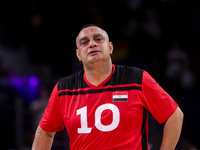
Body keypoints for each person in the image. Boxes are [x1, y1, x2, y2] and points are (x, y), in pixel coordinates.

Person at [32, 24, 183, 150]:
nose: (92, 44)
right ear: (78, 54)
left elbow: (174, 115)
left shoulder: (136, 78)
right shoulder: (64, 88)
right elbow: (45, 131)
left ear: (110, 47)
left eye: (98, 39)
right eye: (84, 42)